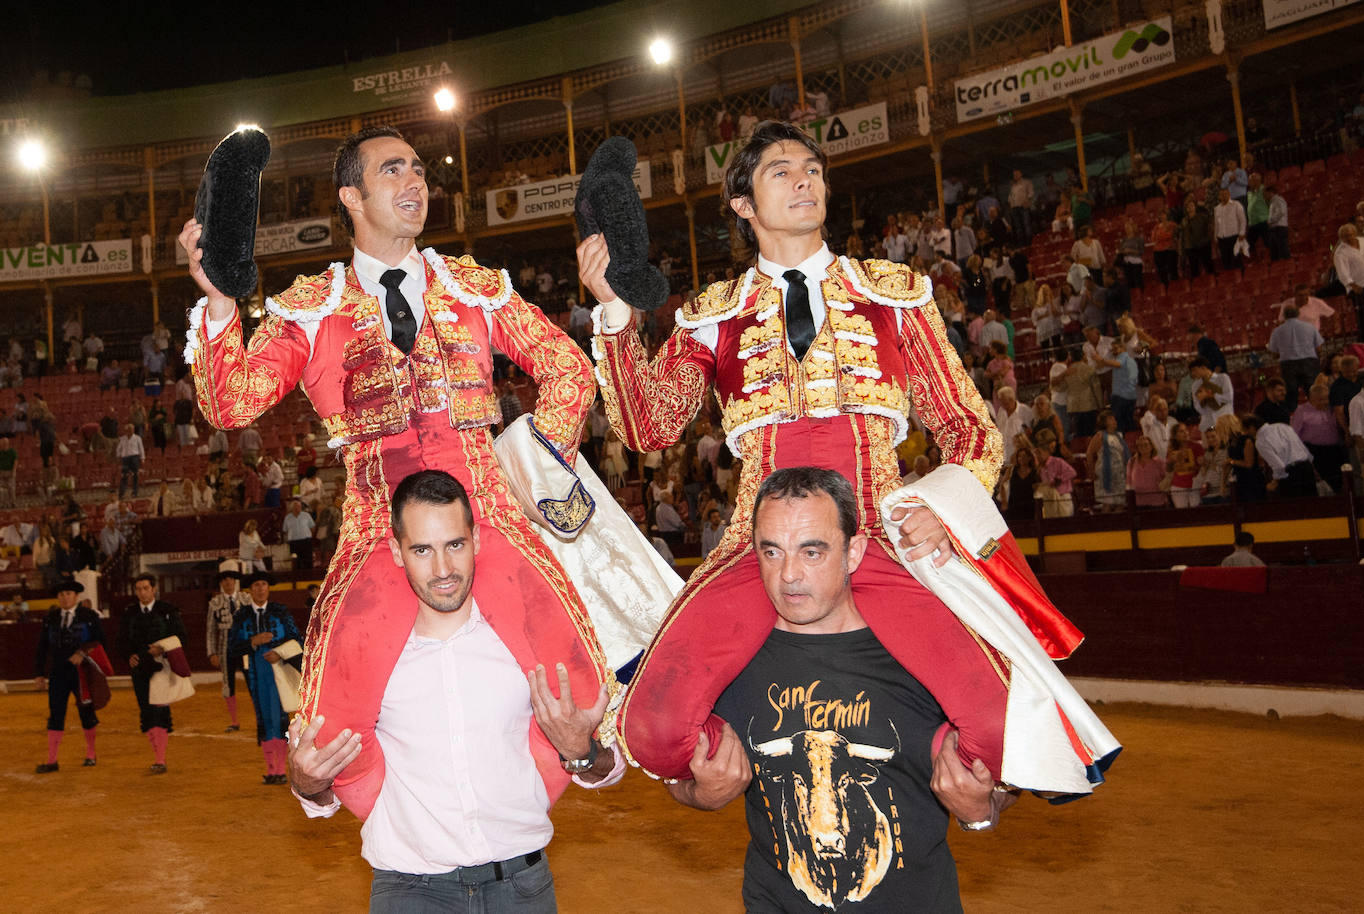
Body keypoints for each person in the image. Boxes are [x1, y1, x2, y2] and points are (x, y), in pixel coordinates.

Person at [581, 119, 1094, 788]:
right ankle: (768, 746)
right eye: (781, 171)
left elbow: (971, 425)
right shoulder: (712, 312)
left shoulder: (893, 293)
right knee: (652, 727)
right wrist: (614, 312)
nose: (803, 179)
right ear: (743, 205)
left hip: (877, 533)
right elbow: (649, 427)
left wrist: (948, 507)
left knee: (1005, 732)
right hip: (759, 545)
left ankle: (910, 745)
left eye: (813, 169)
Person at [183, 125, 608, 818]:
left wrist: (525, 477)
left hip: (487, 521)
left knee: (580, 695)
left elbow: (567, 369)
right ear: (351, 195)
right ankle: (404, 833)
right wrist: (222, 302)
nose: (415, 183)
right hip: (377, 535)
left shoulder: (474, 287)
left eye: (418, 168)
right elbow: (232, 403)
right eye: (393, 170)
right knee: (331, 733)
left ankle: (515, 814)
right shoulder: (309, 309)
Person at [667, 467, 1018, 913]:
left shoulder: (925, 654)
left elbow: (1002, 779)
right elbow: (678, 777)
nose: (789, 575)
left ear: (854, 552)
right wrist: (701, 794)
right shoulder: (729, 660)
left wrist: (981, 812)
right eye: (771, 552)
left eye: (812, 552)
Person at [287, 471, 623, 910]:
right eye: (422, 550)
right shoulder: (366, 660)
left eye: (455, 545)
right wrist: (306, 782)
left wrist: (581, 751)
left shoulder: (524, 644)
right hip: (409, 891)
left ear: (477, 540)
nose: (443, 569)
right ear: (396, 552)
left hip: (521, 887)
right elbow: (319, 790)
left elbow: (609, 768)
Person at [228, 571, 302, 784]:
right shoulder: (241, 615)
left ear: (268, 588)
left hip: (279, 670)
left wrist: (279, 652)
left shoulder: (280, 611)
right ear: (249, 591)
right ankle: (271, 770)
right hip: (256, 673)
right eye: (256, 585)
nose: (260, 588)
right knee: (264, 718)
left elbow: (297, 640)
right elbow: (232, 648)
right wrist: (253, 641)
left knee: (279, 716)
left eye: (263, 584)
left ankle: (279, 770)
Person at [117, 573, 188, 773]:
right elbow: (121, 640)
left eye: (145, 588)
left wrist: (162, 648)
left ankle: (160, 759)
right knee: (146, 711)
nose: (142, 592)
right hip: (139, 668)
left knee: (158, 711)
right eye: (138, 589)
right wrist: (128, 655)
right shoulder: (130, 613)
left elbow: (182, 637)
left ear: (154, 589)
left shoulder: (167, 610)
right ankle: (158, 755)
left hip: (161, 667)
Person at [33, 580, 106, 772]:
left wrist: (82, 653)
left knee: (86, 711)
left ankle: (91, 754)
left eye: (68, 594)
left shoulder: (89, 616)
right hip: (58, 673)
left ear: (76, 596)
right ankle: (52, 760)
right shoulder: (51, 618)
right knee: (56, 713)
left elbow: (100, 641)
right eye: (61, 594)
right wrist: (39, 673)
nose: (64, 597)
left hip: (82, 672)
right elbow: (42, 647)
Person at [206, 569, 246, 732]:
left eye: (230, 580)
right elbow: (210, 629)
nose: (228, 583)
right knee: (228, 684)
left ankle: (260, 718)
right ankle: (234, 720)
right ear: (221, 584)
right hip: (224, 649)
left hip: (245, 647)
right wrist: (212, 652)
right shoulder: (215, 603)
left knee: (253, 682)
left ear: (235, 582)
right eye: (225, 581)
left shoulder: (246, 599)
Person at [1267, 305, 1322, 412]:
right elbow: (1319, 349)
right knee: (1313, 391)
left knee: (1291, 395)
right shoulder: (1310, 327)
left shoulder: (1277, 331)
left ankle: (1292, 418)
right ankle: (1319, 415)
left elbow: (1274, 353)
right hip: (1309, 362)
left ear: (1284, 316)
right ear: (1298, 314)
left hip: (1288, 365)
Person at [1190, 358, 1235, 431]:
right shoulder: (1195, 385)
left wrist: (1210, 396)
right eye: (1192, 371)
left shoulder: (1223, 378)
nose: (1193, 374)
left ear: (1203, 368)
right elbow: (1197, 406)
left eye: (1195, 370)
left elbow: (1229, 398)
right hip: (1208, 422)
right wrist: (1202, 401)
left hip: (1225, 418)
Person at [282, 499, 316, 570]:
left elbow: (312, 527)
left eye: (299, 506)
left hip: (306, 541)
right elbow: (285, 530)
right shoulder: (287, 518)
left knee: (308, 560)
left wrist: (309, 536)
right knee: (296, 562)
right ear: (292, 508)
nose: (298, 508)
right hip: (294, 543)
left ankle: (309, 576)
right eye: (296, 506)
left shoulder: (306, 515)